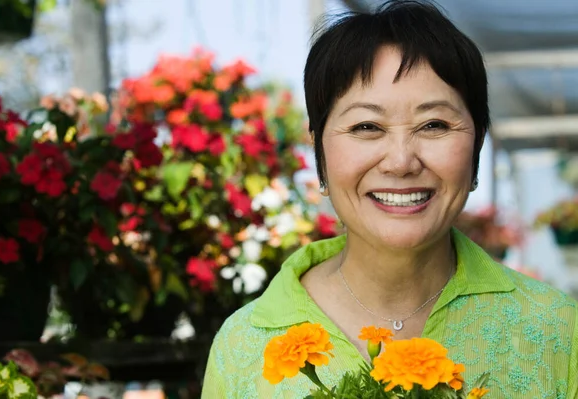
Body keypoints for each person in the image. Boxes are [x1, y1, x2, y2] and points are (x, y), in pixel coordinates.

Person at [201, 1, 578, 398]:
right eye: (367, 126)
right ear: (319, 151)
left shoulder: (558, 329)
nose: (401, 162)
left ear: (477, 145)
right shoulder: (244, 347)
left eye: (434, 125)